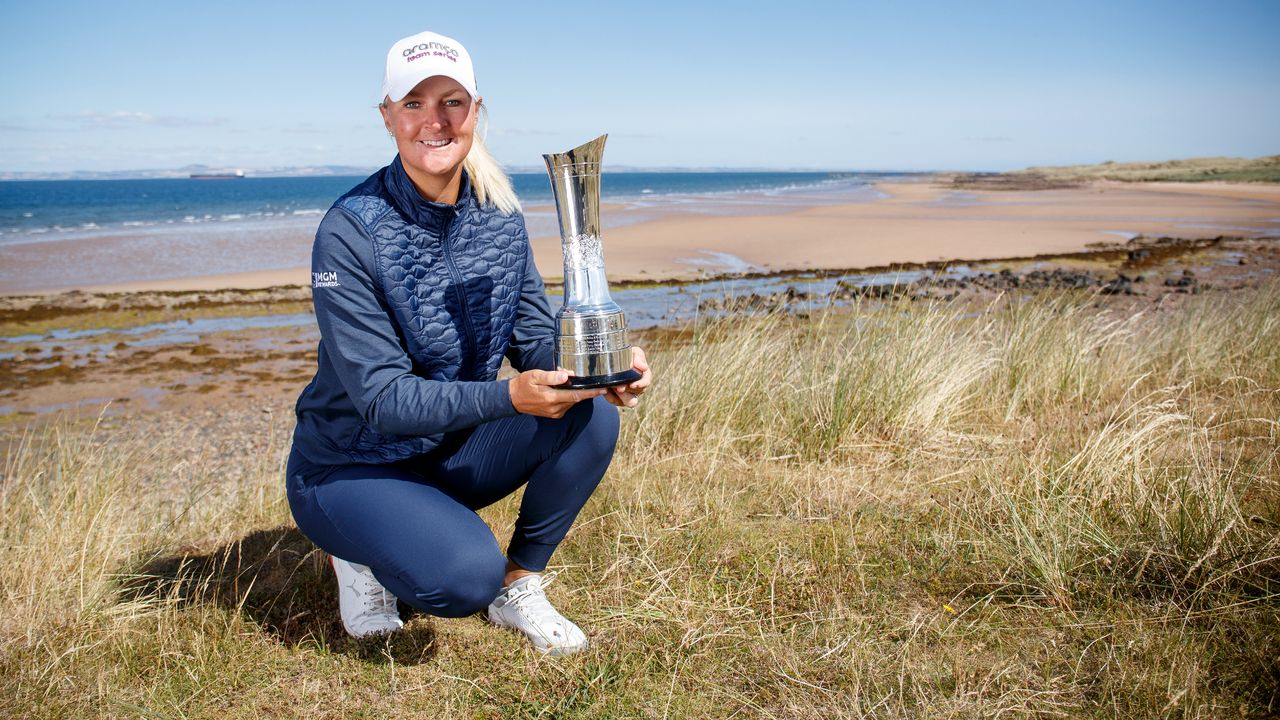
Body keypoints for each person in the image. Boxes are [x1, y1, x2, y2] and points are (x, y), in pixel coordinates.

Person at [285, 29, 652, 656]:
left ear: (476, 111)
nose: (435, 120)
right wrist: (510, 396)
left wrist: (600, 368)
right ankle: (356, 556)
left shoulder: (498, 214)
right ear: (388, 117)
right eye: (414, 103)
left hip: (448, 454)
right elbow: (384, 401)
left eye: (452, 101)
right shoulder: (349, 232)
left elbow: (534, 332)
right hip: (350, 466)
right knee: (460, 582)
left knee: (592, 417)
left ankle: (519, 584)